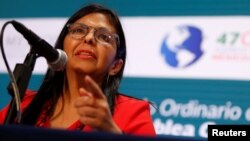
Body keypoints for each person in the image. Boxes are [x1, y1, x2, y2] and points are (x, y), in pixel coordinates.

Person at [0, 4, 156, 136]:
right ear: (61, 50)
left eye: (103, 36)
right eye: (79, 30)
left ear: (115, 66)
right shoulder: (25, 103)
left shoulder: (133, 112)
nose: (88, 38)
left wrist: (110, 131)